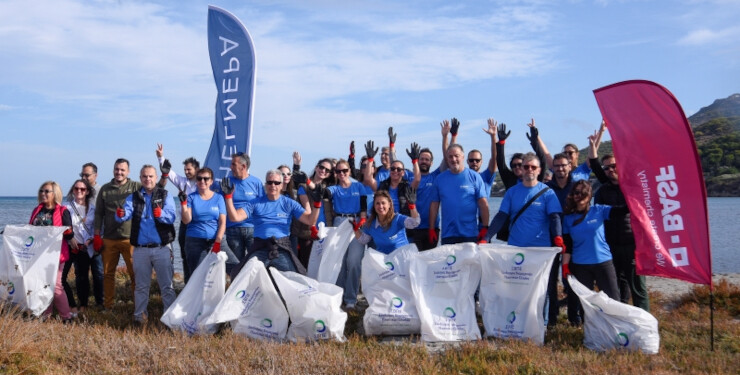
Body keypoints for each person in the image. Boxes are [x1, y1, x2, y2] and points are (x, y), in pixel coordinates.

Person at [589, 126, 650, 311]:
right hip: (611, 245)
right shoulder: (602, 191)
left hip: (633, 244)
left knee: (637, 288)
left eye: (614, 166)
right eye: (606, 168)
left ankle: (644, 322)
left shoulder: (634, 187)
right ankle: (620, 320)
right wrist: (593, 144)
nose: (609, 170)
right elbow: (599, 214)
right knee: (614, 287)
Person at [221, 169, 322, 275]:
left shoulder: (289, 203)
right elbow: (235, 218)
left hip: (282, 248)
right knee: (242, 277)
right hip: (259, 247)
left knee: (297, 278)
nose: (273, 185)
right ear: (266, 184)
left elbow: (310, 220)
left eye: (276, 183)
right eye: (269, 182)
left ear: (282, 184)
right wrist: (228, 197)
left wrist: (317, 204)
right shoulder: (255, 203)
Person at [115, 165, 177, 324]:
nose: (147, 179)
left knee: (167, 287)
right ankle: (140, 318)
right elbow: (124, 215)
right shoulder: (133, 197)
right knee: (141, 287)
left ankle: (169, 319)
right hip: (141, 250)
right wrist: (120, 214)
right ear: (140, 178)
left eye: (150, 176)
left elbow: (171, 217)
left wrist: (161, 214)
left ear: (156, 178)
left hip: (162, 248)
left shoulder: (165, 195)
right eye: (144, 176)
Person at [561, 180, 621, 304]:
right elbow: (568, 245)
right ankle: (588, 323)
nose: (579, 195)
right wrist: (565, 265)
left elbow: (622, 211)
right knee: (586, 304)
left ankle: (614, 324)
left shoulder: (599, 210)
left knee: (613, 300)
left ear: (589, 195)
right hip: (580, 266)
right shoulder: (568, 218)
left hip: (603, 262)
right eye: (576, 192)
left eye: (583, 192)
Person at [93, 158, 141, 310]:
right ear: (113, 170)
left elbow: (153, 191)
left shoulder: (136, 187)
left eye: (122, 170)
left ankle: (137, 307)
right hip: (109, 239)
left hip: (131, 239)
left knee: (135, 275)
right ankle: (109, 306)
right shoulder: (105, 189)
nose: (119, 172)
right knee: (107, 274)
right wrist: (96, 235)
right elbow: (99, 213)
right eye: (117, 169)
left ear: (128, 171)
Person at [327, 159, 370, 310]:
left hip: (356, 221)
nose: (342, 174)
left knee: (354, 261)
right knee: (339, 261)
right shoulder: (334, 188)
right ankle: (339, 296)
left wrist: (363, 220)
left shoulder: (359, 186)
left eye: (345, 170)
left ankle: (351, 297)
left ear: (350, 171)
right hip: (340, 222)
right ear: (335, 174)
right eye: (339, 171)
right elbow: (324, 193)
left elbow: (364, 204)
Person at [30, 181, 74, 322]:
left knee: (56, 286)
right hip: (38, 255)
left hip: (56, 255)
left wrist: (65, 232)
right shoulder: (37, 210)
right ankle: (45, 315)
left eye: (47, 191)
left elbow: (68, 232)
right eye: (42, 191)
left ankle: (66, 317)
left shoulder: (63, 211)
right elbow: (30, 230)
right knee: (42, 285)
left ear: (55, 193)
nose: (43, 193)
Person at [155, 143, 200, 282]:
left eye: (189, 169)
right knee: (184, 254)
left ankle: (199, 282)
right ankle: (187, 282)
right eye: (185, 170)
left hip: (199, 224)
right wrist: (161, 157)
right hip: (185, 224)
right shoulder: (183, 182)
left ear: (197, 169)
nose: (186, 172)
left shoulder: (203, 182)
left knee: (199, 255)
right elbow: (169, 173)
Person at [429, 144, 489, 245]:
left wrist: (485, 227)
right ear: (447, 159)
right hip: (448, 235)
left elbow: (483, 204)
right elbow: (434, 206)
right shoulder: (439, 179)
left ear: (463, 157)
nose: (453, 159)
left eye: (456, 156)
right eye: (450, 156)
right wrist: (431, 229)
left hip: (470, 235)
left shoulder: (475, 177)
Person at [545, 153, 581, 326]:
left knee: (572, 279)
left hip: (573, 239)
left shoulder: (576, 188)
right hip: (550, 239)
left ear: (570, 166)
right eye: (556, 166)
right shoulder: (545, 188)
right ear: (552, 168)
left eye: (563, 165)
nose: (560, 168)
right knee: (550, 281)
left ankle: (575, 318)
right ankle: (551, 319)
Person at [215, 152, 264, 276]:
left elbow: (263, 206)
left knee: (256, 264)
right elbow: (220, 205)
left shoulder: (256, 182)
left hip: (252, 230)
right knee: (236, 268)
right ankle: (237, 293)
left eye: (233, 164)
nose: (230, 167)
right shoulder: (227, 183)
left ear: (243, 166)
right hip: (233, 230)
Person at [63, 179, 103, 313]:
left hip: (88, 247)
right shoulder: (67, 207)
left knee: (91, 276)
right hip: (73, 246)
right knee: (75, 276)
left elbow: (98, 228)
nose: (79, 191)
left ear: (87, 192)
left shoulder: (93, 208)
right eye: (76, 189)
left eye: (82, 189)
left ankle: (92, 304)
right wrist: (70, 238)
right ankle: (77, 304)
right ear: (73, 190)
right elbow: (64, 226)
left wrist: (92, 239)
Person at [179, 167, 226, 276]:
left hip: (215, 240)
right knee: (197, 275)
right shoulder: (191, 197)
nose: (202, 181)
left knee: (235, 265)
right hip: (195, 241)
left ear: (211, 181)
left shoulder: (218, 198)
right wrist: (183, 204)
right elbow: (187, 220)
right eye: (199, 178)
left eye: (206, 179)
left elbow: (222, 222)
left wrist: (218, 242)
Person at [355, 190, 420, 253]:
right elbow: (363, 240)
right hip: (383, 260)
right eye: (377, 203)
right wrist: (355, 229)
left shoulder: (397, 219)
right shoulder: (371, 224)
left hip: (401, 259)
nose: (380, 206)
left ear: (389, 205)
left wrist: (412, 206)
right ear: (374, 206)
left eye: (383, 203)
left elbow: (415, 223)